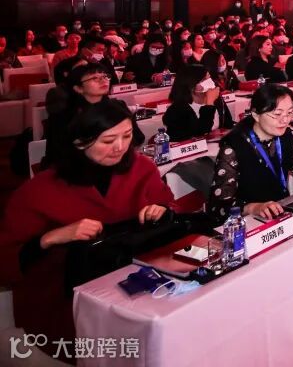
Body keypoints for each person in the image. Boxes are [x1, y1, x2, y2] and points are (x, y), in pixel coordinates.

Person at [0, 99, 176, 343]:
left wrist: (160, 210)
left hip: (136, 280)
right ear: (79, 142)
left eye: (126, 136)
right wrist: (51, 238)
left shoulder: (141, 168)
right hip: (65, 299)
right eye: (108, 141)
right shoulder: (39, 190)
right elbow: (6, 261)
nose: (120, 147)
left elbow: (168, 205)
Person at [206, 83, 293, 222]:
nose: (285, 120)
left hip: (281, 213)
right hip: (248, 222)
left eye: (289, 113)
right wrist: (253, 208)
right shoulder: (234, 147)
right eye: (277, 114)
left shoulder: (288, 136)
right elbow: (218, 207)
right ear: (256, 115)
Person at [163, 65, 233, 142]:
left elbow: (228, 125)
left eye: (209, 78)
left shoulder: (217, 100)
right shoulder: (177, 110)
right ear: (190, 85)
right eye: (204, 80)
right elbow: (200, 132)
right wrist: (209, 104)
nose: (210, 82)